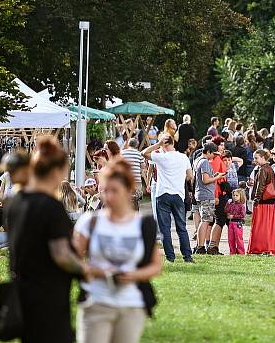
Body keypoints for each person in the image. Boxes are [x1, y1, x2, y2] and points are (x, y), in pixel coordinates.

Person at [5, 136, 105, 342]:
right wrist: (85, 270)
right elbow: (61, 254)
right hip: (48, 295)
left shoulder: (15, 202)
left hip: (22, 292)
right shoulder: (50, 207)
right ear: (57, 171)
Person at [73, 158, 161, 343]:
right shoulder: (90, 221)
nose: (110, 197)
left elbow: (155, 266)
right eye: (106, 190)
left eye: (115, 191)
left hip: (131, 305)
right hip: (96, 301)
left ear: (129, 191)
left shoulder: (142, 225)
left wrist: (134, 275)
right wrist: (92, 270)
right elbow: (72, 258)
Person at [143, 134, 194, 263]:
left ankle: (170, 257)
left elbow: (143, 153)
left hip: (163, 194)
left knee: (165, 228)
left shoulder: (161, 157)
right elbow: (190, 176)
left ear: (164, 144)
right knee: (181, 227)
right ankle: (187, 256)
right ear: (173, 143)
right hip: (178, 195)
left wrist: (157, 144)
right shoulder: (183, 157)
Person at [193, 143, 225, 254]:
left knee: (204, 220)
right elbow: (205, 180)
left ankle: (199, 245)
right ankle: (200, 247)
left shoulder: (197, 160)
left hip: (200, 194)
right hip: (206, 195)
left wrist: (213, 175)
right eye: (213, 154)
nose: (214, 156)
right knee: (205, 221)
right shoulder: (205, 162)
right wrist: (217, 177)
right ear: (209, 152)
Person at [248, 149, 275, 256]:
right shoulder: (270, 168)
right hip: (270, 202)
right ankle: (268, 248)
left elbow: (260, 187)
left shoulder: (262, 170)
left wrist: (256, 200)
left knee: (259, 226)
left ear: (263, 158)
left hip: (262, 202)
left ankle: (259, 248)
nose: (254, 160)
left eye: (256, 158)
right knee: (268, 227)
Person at [226, 188, 247, 255]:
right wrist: (228, 204)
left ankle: (241, 252)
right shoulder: (231, 204)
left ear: (241, 196)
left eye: (237, 195)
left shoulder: (242, 206)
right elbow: (226, 210)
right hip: (231, 223)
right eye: (234, 195)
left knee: (238, 238)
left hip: (238, 223)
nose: (235, 197)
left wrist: (234, 216)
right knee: (231, 239)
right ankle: (232, 252)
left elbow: (242, 215)